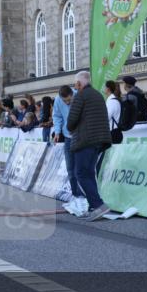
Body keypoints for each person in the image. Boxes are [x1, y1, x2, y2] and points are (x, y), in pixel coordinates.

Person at [66, 71, 112, 221]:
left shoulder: (80, 96)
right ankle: (94, 207)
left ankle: (98, 204)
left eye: (75, 84)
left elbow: (71, 120)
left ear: (79, 83)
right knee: (90, 173)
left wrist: (71, 128)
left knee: (81, 173)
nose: (75, 87)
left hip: (85, 140)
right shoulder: (98, 95)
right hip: (99, 140)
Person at [52, 85, 87, 215]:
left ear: (72, 94)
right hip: (67, 137)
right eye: (64, 101)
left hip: (81, 137)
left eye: (69, 100)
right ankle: (76, 196)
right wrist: (57, 132)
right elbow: (57, 116)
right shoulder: (57, 100)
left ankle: (84, 197)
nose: (67, 103)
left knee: (80, 169)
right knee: (70, 169)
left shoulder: (80, 96)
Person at [103, 80, 122, 145]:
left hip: (113, 132)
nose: (104, 89)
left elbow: (106, 117)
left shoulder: (111, 101)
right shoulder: (113, 100)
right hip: (114, 131)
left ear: (108, 89)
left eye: (105, 87)